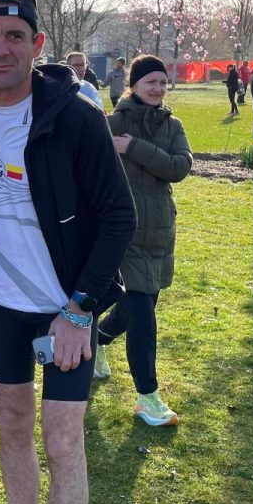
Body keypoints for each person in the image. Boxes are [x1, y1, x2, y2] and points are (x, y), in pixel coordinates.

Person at [0, 0, 135, 504]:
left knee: (62, 441)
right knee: (12, 428)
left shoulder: (77, 117)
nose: (0, 48)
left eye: (14, 37)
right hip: (2, 306)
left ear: (38, 44)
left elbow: (119, 215)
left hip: (67, 307)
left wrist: (81, 307)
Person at [92, 55, 191, 428]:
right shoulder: (110, 123)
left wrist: (133, 148)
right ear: (132, 84)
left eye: (163, 83)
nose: (158, 89)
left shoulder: (173, 124)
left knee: (137, 307)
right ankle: (148, 398)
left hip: (161, 230)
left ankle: (100, 338)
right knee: (144, 317)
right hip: (124, 233)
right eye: (150, 82)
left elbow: (179, 167)